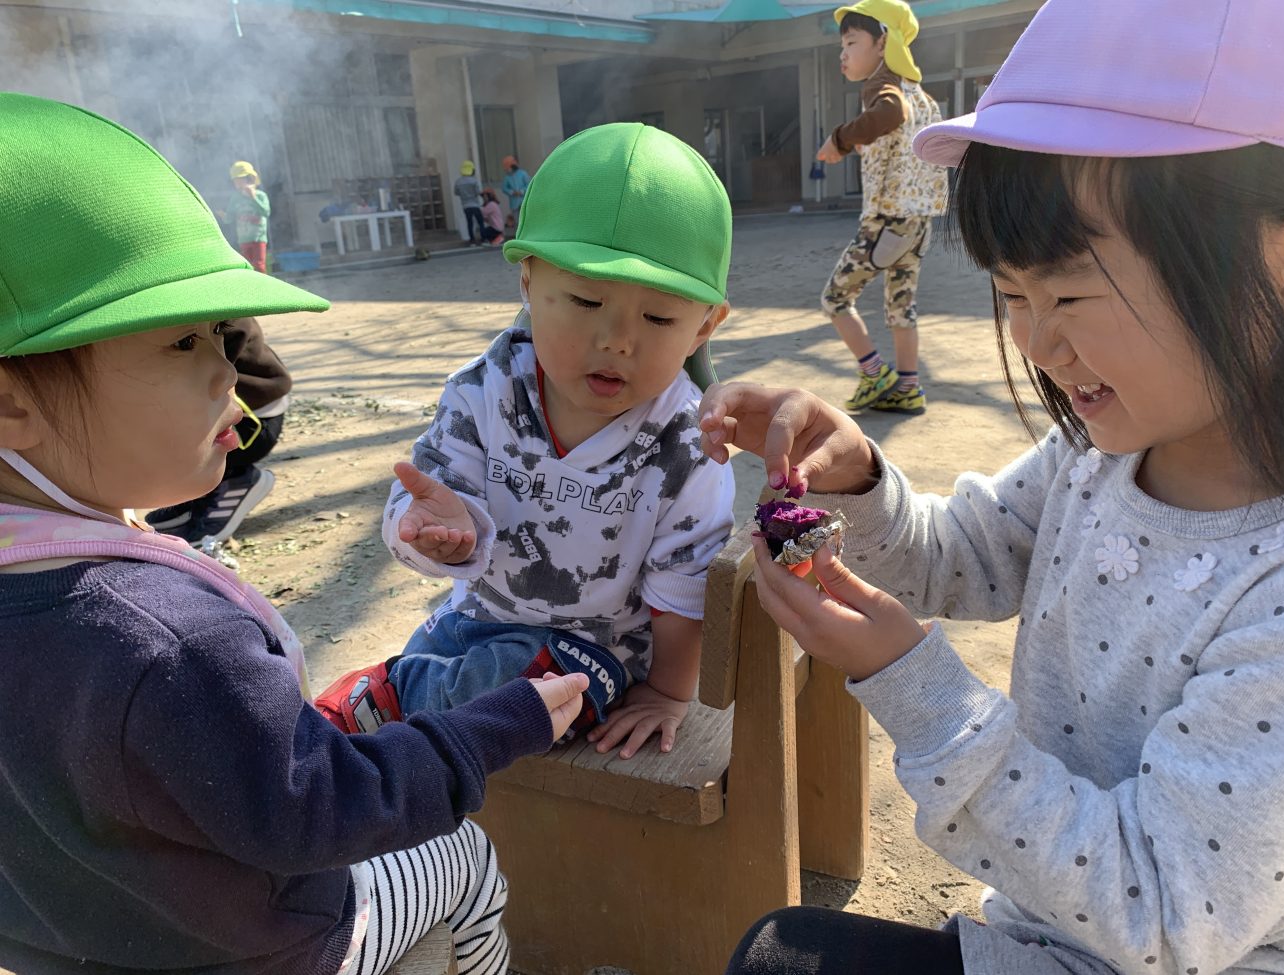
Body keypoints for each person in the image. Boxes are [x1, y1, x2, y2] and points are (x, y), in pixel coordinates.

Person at [701, 0, 1284, 971]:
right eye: (1011, 293)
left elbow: (1162, 915)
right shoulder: (1099, 451)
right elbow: (958, 556)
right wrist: (857, 475)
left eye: (1070, 292)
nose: (1034, 341)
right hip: (1049, 926)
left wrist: (918, 688)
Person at [0, 92, 589, 975]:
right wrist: (492, 728)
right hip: (260, 948)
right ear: (11, 403)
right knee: (462, 858)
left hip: (72, 947)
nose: (228, 372)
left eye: (219, 335)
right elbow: (318, 809)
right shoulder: (172, 641)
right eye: (181, 344)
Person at [315, 123, 736, 761]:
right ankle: (398, 700)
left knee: (516, 693)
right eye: (586, 301)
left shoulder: (686, 441)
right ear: (528, 282)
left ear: (705, 326)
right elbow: (423, 498)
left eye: (658, 317)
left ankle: (384, 705)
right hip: (472, 622)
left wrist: (669, 692)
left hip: (595, 657)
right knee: (449, 666)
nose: (617, 340)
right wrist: (434, 530)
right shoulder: (482, 392)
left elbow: (683, 586)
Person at [816, 0, 948, 416]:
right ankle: (908, 387)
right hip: (919, 222)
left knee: (835, 298)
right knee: (901, 308)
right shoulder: (921, 96)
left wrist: (839, 139)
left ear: (883, 42)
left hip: (887, 221)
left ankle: (874, 374)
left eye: (852, 42)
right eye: (842, 45)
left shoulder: (883, 87)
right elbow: (902, 137)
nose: (843, 54)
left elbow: (890, 114)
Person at [145, 317, 289, 546]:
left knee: (160, 429)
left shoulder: (216, 319)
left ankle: (234, 481)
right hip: (240, 414)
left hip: (253, 425)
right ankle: (198, 494)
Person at [222, 160, 271, 272]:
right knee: (248, 267)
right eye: (235, 180)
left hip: (258, 237)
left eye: (240, 179)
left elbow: (266, 212)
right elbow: (229, 217)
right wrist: (224, 216)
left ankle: (262, 283)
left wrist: (253, 198)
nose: (237, 183)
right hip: (243, 239)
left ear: (249, 179)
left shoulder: (260, 196)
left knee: (259, 265)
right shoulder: (236, 198)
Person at [454, 160, 487, 246]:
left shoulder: (458, 181)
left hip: (465, 206)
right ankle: (483, 239)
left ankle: (472, 240)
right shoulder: (474, 181)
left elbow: (456, 193)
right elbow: (478, 192)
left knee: (470, 223)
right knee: (480, 222)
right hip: (475, 205)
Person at [501, 154, 530, 229]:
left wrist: (521, 191)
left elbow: (529, 185)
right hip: (514, 202)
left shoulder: (523, 174)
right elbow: (504, 188)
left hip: (524, 200)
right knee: (517, 222)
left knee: (526, 219)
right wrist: (512, 192)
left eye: (508, 168)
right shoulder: (507, 177)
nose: (507, 170)